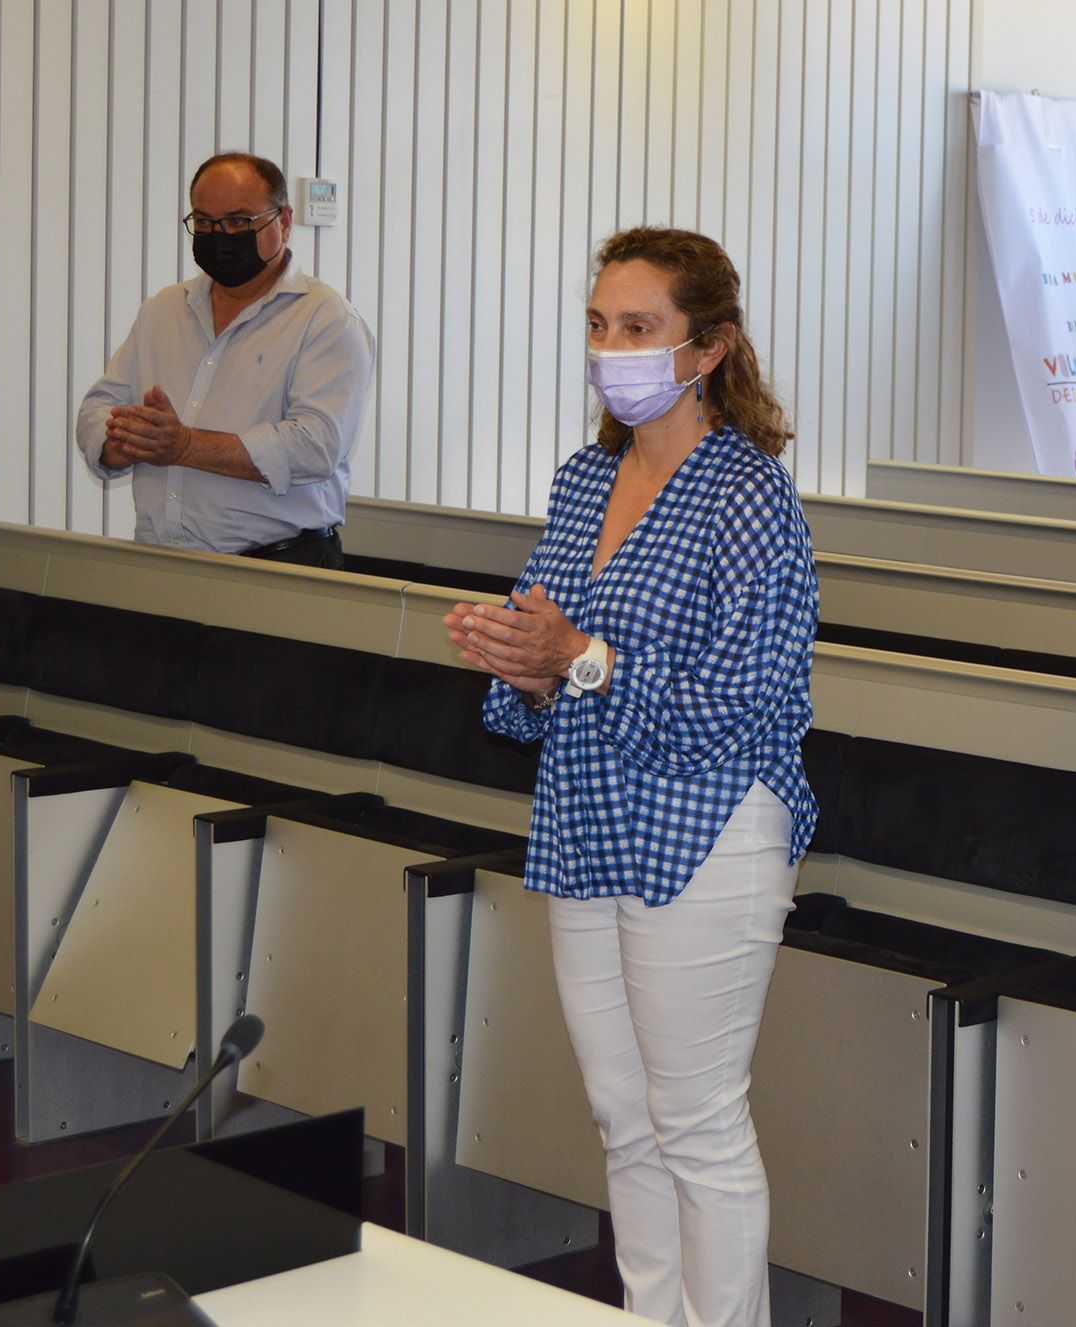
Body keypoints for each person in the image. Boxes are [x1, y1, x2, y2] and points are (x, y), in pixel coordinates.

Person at [443, 227, 817, 1327]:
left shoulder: (746, 499)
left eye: (639, 328)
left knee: (696, 1120)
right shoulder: (583, 478)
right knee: (623, 1115)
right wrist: (523, 661)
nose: (612, 349)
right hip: (588, 815)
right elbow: (542, 669)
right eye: (599, 326)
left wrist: (581, 659)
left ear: (706, 350)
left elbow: (742, 701)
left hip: (705, 826)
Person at [75, 152, 374, 567]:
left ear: (284, 222)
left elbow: (315, 445)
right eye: (204, 222)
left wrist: (182, 446)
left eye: (238, 221)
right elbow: (98, 407)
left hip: (281, 571)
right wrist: (126, 440)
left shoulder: (326, 319)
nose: (219, 235)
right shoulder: (162, 310)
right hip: (159, 567)